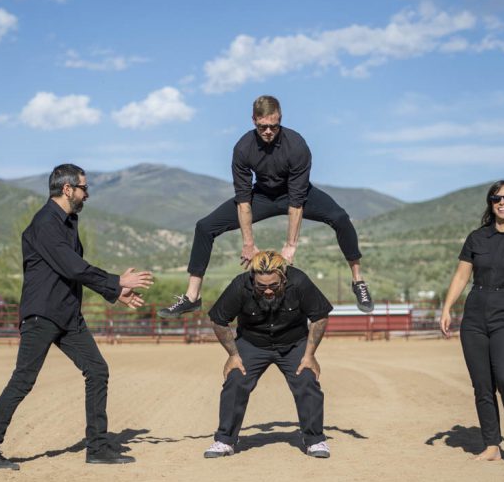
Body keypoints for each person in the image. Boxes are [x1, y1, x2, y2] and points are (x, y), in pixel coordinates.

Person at [0, 164, 154, 470]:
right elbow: (73, 267)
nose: (87, 194)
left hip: (68, 314)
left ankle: (97, 447)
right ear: (67, 189)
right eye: (84, 188)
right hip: (42, 314)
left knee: (97, 370)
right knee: (23, 381)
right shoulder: (45, 223)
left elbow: (74, 271)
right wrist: (117, 282)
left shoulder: (68, 223)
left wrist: (114, 293)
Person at [158, 95, 373, 318]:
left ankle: (358, 281)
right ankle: (192, 296)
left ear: (280, 119)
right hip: (262, 196)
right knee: (204, 227)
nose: (268, 131)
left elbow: (296, 202)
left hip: (295, 194)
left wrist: (290, 245)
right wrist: (248, 243)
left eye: (274, 126)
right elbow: (243, 201)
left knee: (340, 218)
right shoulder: (243, 148)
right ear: (254, 120)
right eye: (263, 127)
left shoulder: (296, 145)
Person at [439, 180, 504, 469]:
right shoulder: (477, 238)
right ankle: (492, 446)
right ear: (491, 203)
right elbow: (462, 276)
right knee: (482, 386)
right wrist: (447, 308)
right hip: (474, 317)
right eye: (496, 198)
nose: (502, 202)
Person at [203, 250, 333, 459]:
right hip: (252, 343)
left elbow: (320, 317)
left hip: (293, 343)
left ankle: (314, 439)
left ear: (283, 277)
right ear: (253, 279)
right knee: (235, 379)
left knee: (307, 379)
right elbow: (219, 319)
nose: (268, 291)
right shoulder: (240, 285)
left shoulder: (299, 281)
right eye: (261, 287)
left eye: (274, 285)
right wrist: (233, 355)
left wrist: (309, 355)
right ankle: (225, 440)